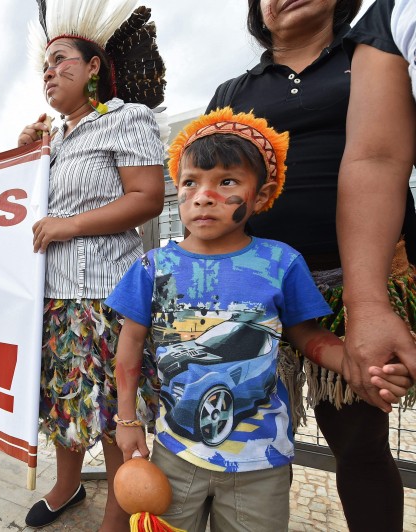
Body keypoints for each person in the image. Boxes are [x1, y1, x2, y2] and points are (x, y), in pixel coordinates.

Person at [108, 109, 412, 532]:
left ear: (262, 194)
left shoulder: (282, 262)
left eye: (227, 182)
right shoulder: (151, 267)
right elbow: (131, 344)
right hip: (173, 454)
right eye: (191, 181)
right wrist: (126, 421)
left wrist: (361, 367)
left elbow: (307, 335)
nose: (203, 195)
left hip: (261, 465)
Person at [206, 1, 413, 529]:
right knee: (247, 438)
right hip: (257, 291)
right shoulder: (233, 93)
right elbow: (205, 181)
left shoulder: (378, 53)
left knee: (360, 443)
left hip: (356, 284)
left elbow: (382, 156)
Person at [16, 1, 166, 528]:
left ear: (94, 66)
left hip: (110, 293)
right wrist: (24, 159)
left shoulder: (127, 118)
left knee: (113, 408)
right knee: (64, 402)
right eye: (45, 67)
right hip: (55, 295)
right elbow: (26, 211)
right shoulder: (49, 140)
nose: (50, 72)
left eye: (61, 61)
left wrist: (69, 225)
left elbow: (147, 197)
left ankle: (119, 512)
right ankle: (67, 487)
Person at [339, 0, 416, 408]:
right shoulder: (390, 16)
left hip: (356, 277)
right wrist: (367, 307)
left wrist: (368, 304)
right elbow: (376, 158)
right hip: (308, 286)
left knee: (361, 446)